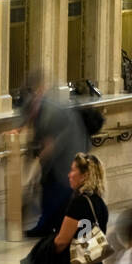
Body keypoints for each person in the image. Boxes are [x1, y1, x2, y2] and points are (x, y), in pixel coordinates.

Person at [22, 69, 89, 237]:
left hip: (68, 153)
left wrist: (42, 156)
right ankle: (48, 226)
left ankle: (52, 227)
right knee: (50, 188)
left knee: (59, 190)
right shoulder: (38, 106)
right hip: (57, 157)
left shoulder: (51, 109)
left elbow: (55, 140)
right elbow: (33, 128)